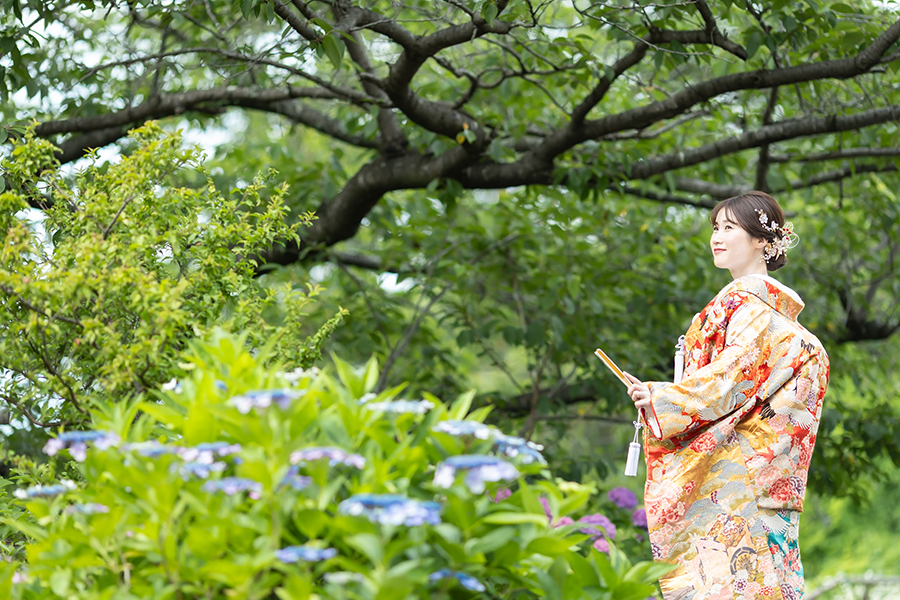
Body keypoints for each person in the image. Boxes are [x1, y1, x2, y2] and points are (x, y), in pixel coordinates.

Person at [623, 191, 830, 600]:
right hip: (770, 474)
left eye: (729, 228)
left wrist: (662, 399)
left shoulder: (745, 303)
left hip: (739, 478)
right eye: (715, 228)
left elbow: (730, 379)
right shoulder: (781, 320)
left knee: (730, 582)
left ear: (762, 242)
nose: (717, 237)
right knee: (766, 580)